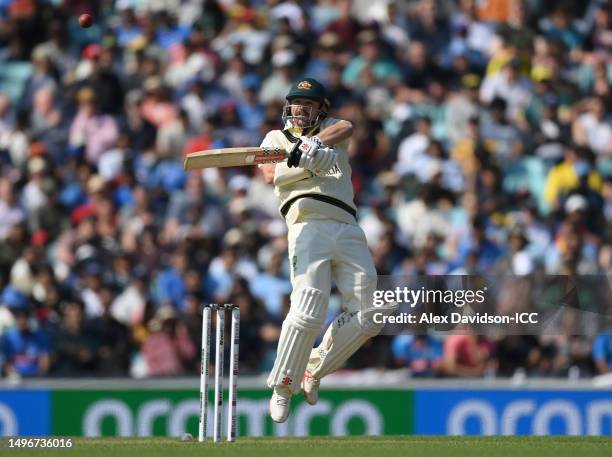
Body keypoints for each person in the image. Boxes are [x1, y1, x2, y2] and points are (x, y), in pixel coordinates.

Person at [259, 77, 394, 423]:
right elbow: (267, 172)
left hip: (347, 226)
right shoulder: (275, 139)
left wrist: (313, 145)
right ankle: (282, 385)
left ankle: (314, 369)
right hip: (307, 224)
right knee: (308, 308)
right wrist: (301, 160)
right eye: (295, 103)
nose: (301, 108)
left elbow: (347, 127)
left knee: (371, 313)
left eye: (308, 104)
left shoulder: (334, 128)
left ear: (321, 108)